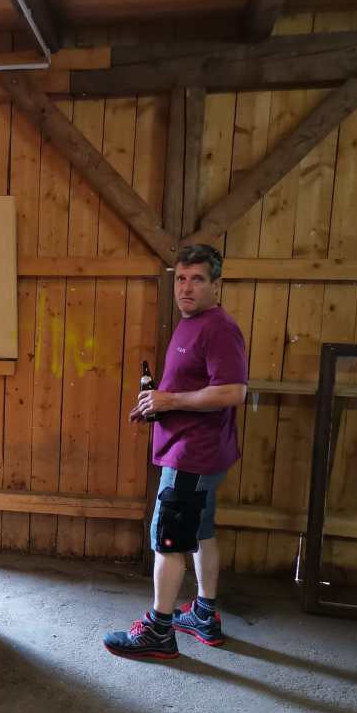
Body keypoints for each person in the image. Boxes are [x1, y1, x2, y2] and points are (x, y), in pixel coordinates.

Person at [104, 243, 248, 659]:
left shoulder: (218, 328)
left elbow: (232, 391)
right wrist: (156, 405)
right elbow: (188, 385)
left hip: (193, 455)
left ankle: (158, 631)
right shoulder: (192, 323)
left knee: (166, 539)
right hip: (195, 451)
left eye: (197, 279)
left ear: (216, 285)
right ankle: (204, 613)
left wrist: (169, 401)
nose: (186, 287)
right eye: (181, 278)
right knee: (201, 531)